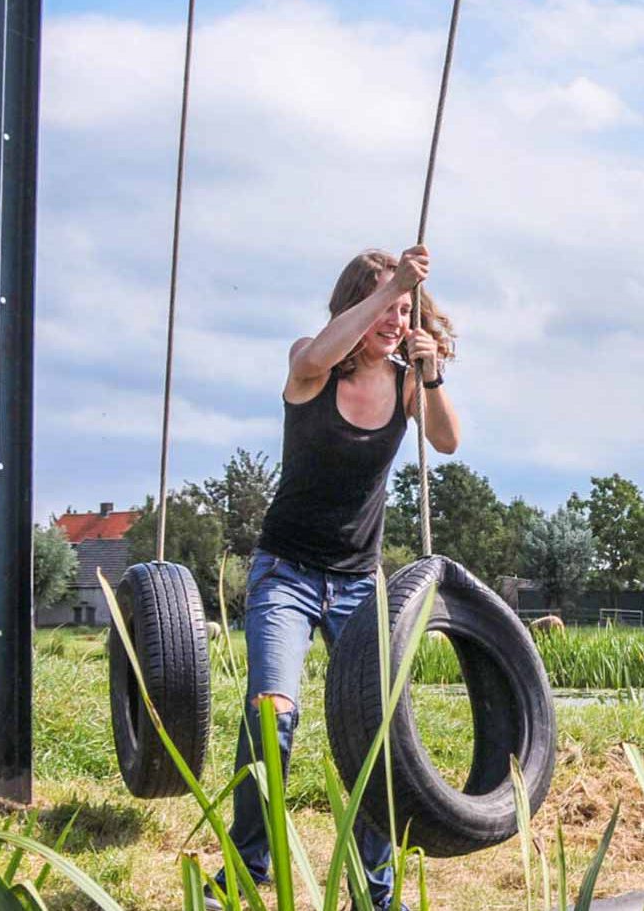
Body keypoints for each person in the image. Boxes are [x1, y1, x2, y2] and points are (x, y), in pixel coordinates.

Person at [208, 245, 461, 911]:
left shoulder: (406, 382)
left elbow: (448, 441)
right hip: (285, 574)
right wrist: (389, 289)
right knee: (273, 714)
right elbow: (317, 357)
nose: (394, 318)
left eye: (405, 309)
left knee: (376, 730)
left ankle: (373, 892)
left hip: (358, 582)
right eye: (384, 304)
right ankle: (247, 869)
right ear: (356, 303)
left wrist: (431, 372)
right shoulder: (311, 365)